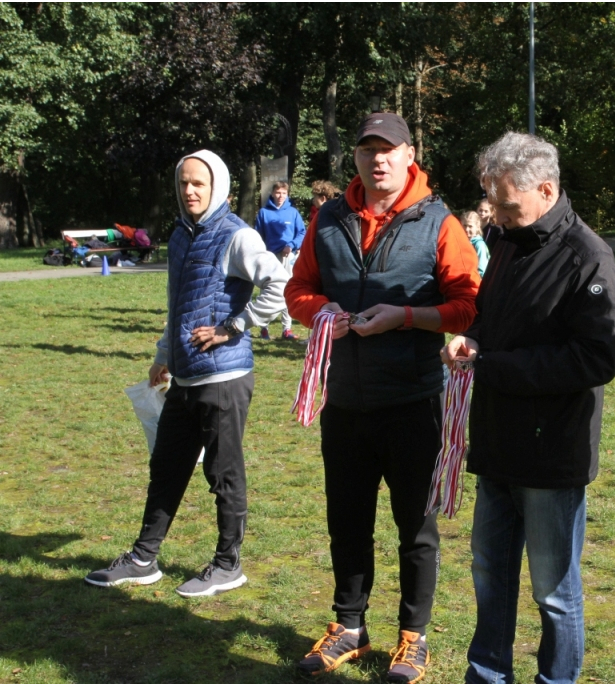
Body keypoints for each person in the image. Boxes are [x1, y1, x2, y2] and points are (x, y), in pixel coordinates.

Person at [285, 113, 481, 682]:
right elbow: (298, 289)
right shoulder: (328, 218)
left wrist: (408, 317)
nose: (378, 160)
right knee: (346, 521)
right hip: (344, 400)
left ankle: (413, 637)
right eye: (368, 149)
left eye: (388, 150)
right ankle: (349, 625)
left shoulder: (438, 222)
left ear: (409, 154)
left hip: (414, 400)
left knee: (414, 527)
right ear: (356, 158)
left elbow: (469, 305)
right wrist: (320, 311)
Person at [442, 132, 615, 684]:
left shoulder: (587, 256)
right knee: (489, 576)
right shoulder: (508, 242)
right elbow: (498, 321)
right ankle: (487, 676)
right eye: (491, 200)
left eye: (505, 202)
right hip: (497, 442)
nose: (493, 213)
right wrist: (472, 336)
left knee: (554, 592)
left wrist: (493, 365)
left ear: (546, 189)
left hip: (551, 455)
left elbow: (597, 359)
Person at [85, 150, 289, 597]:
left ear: (217, 187)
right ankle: (143, 558)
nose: (191, 191)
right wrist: (165, 353)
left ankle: (227, 564)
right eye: (184, 183)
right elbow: (178, 304)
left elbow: (278, 283)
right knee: (167, 465)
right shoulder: (180, 236)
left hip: (223, 379)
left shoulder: (236, 236)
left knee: (223, 473)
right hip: (185, 376)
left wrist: (232, 327)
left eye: (199, 183)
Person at [255, 181, 305, 341]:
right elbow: (257, 236)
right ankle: (263, 327)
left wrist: (292, 245)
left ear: (287, 194)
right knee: (267, 290)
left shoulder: (293, 213)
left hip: (287, 257)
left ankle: (287, 329)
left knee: (288, 290)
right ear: (272, 193)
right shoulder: (263, 213)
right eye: (278, 193)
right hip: (270, 257)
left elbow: (302, 233)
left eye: (284, 193)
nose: (280, 196)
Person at [461, 210, 490, 276]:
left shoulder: (479, 245)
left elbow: (482, 271)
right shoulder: (461, 243)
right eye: (465, 225)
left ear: (477, 227)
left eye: (470, 226)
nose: (467, 229)